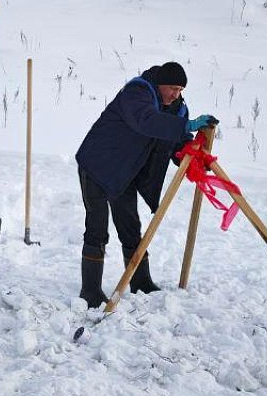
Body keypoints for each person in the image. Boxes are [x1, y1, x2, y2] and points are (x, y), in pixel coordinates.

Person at [75, 61, 215, 308]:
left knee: (130, 226)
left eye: (180, 89)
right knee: (97, 227)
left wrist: (192, 155)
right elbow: (146, 121)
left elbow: (174, 143)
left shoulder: (177, 109)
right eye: (172, 87)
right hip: (97, 164)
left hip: (126, 171)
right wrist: (187, 125)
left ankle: (141, 281)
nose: (176, 94)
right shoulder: (137, 92)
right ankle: (90, 290)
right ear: (160, 84)